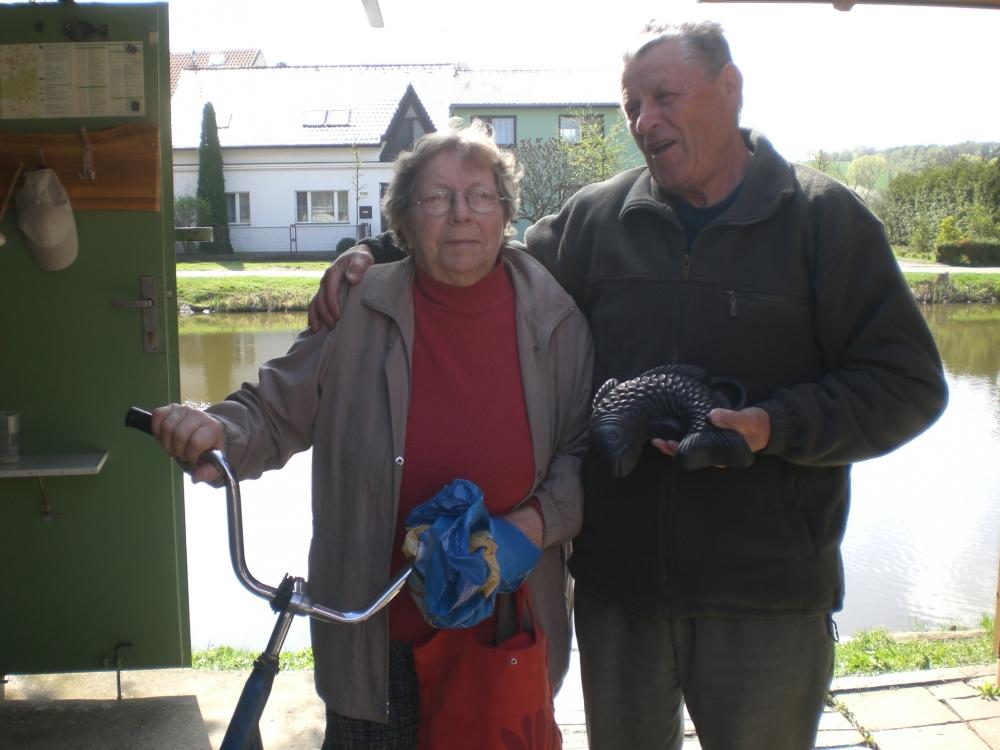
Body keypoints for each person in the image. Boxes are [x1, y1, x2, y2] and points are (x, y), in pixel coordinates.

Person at [307, 20, 948, 750]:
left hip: (766, 598)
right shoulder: (595, 220)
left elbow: (908, 385)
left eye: (664, 97)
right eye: (631, 106)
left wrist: (775, 425)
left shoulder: (824, 220)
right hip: (619, 596)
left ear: (730, 88)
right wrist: (374, 252)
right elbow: (476, 248)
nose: (645, 121)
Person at [152, 124, 593, 749]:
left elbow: (583, 455)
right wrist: (218, 430)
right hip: (373, 635)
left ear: (505, 213)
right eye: (436, 198)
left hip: (502, 627)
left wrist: (529, 528)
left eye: (480, 195)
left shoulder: (557, 319)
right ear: (403, 220)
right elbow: (272, 412)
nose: (461, 214)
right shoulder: (357, 309)